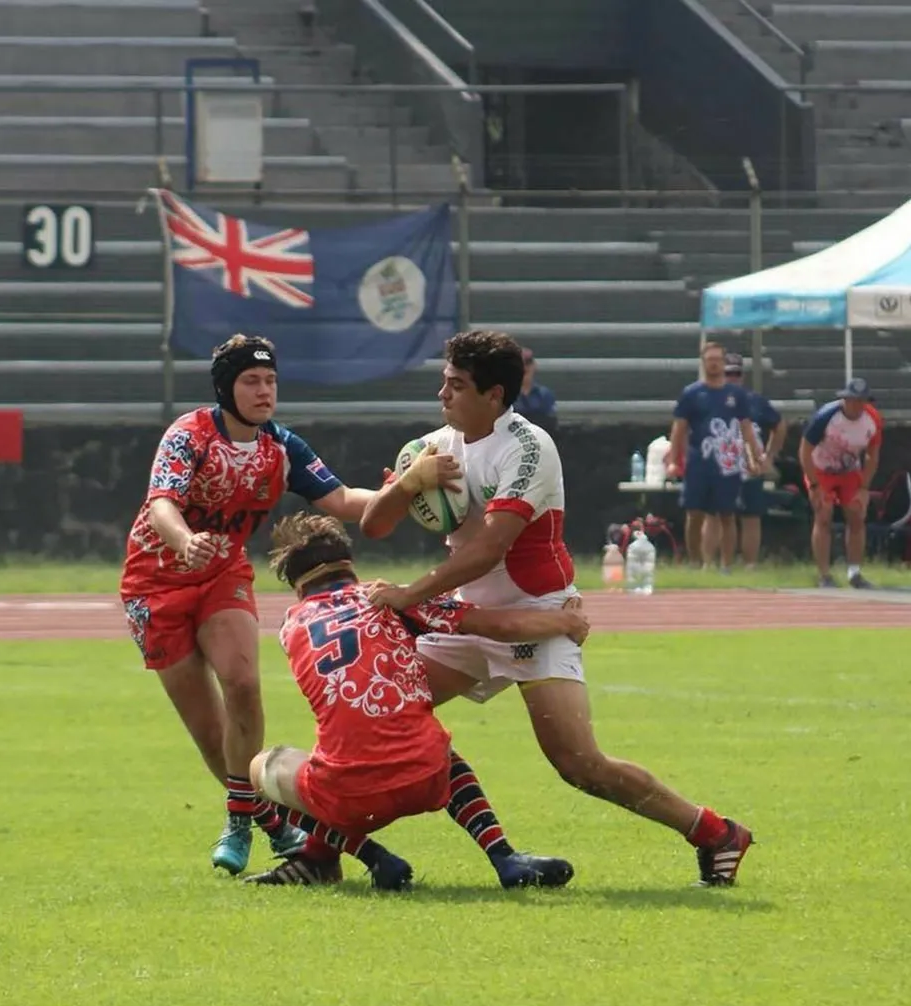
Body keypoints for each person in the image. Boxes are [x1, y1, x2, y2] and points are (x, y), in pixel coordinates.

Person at [120, 333, 568, 887]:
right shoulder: (189, 435)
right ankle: (262, 815)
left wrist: (405, 487)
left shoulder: (281, 447)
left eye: (271, 380)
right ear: (225, 389)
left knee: (241, 685)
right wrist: (185, 540)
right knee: (210, 730)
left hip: (221, 575)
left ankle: (241, 818)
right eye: (251, 381)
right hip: (153, 584)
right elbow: (160, 502)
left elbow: (344, 503)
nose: (264, 391)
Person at [361, 329, 754, 887]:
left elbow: (490, 549)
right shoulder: (435, 445)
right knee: (381, 712)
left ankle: (716, 832)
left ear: (494, 395)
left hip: (535, 617)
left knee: (580, 766)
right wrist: (409, 483)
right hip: (466, 619)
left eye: (456, 385)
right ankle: (329, 846)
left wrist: (409, 595)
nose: (442, 396)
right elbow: (375, 524)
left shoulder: (528, 447)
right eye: (443, 382)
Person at [247, 513, 589, 889]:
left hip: (349, 797)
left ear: (296, 585)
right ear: (350, 563)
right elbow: (499, 627)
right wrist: (564, 623)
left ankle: (375, 859)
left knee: (262, 767)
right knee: (428, 739)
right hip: (427, 776)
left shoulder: (291, 624)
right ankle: (503, 857)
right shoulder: (392, 597)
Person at [666, 342, 765, 572]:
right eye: (709, 359)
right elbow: (679, 428)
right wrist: (673, 459)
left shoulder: (736, 395)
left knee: (727, 513)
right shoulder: (692, 394)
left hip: (727, 463)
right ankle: (695, 561)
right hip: (699, 460)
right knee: (694, 513)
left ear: (723, 362)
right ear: (703, 362)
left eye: (717, 360)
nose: (714, 364)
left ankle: (726, 564)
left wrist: (754, 457)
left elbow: (746, 428)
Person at [801, 377, 884, 589]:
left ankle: (854, 573)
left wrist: (864, 487)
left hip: (849, 470)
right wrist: (814, 485)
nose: (855, 406)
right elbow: (805, 450)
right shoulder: (826, 417)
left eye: (859, 401)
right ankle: (824, 574)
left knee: (856, 515)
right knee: (824, 513)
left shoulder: (872, 419)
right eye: (851, 400)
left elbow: (872, 455)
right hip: (821, 469)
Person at [723, 354, 787, 570]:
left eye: (736, 374)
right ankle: (725, 564)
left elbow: (779, 425)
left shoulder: (754, 400)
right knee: (723, 515)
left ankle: (750, 564)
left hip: (750, 466)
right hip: (722, 466)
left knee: (751, 516)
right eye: (727, 374)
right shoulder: (710, 399)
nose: (732, 378)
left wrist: (768, 457)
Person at [511, 347, 558, 439]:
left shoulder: (545, 395)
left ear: (534, 366)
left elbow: (551, 425)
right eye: (519, 364)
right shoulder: (504, 395)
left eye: (528, 363)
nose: (524, 367)